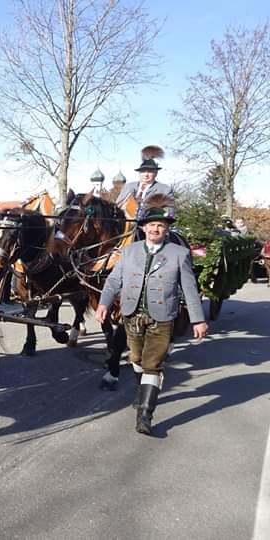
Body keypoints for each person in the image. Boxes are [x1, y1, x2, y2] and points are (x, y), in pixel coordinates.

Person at [94, 197, 208, 435]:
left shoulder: (179, 253)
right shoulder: (129, 251)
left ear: (167, 229)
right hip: (131, 315)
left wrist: (198, 319)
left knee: (152, 364)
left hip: (162, 317)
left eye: (161, 225)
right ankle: (143, 387)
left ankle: (145, 415)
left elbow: (189, 288)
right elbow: (115, 280)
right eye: (152, 225)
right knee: (136, 358)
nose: (156, 229)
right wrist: (103, 303)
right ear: (144, 228)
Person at [116, 145, 174, 210]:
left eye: (150, 171)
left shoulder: (165, 190)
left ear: (156, 173)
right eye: (143, 171)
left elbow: (169, 212)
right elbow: (117, 206)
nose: (146, 174)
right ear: (139, 173)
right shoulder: (128, 187)